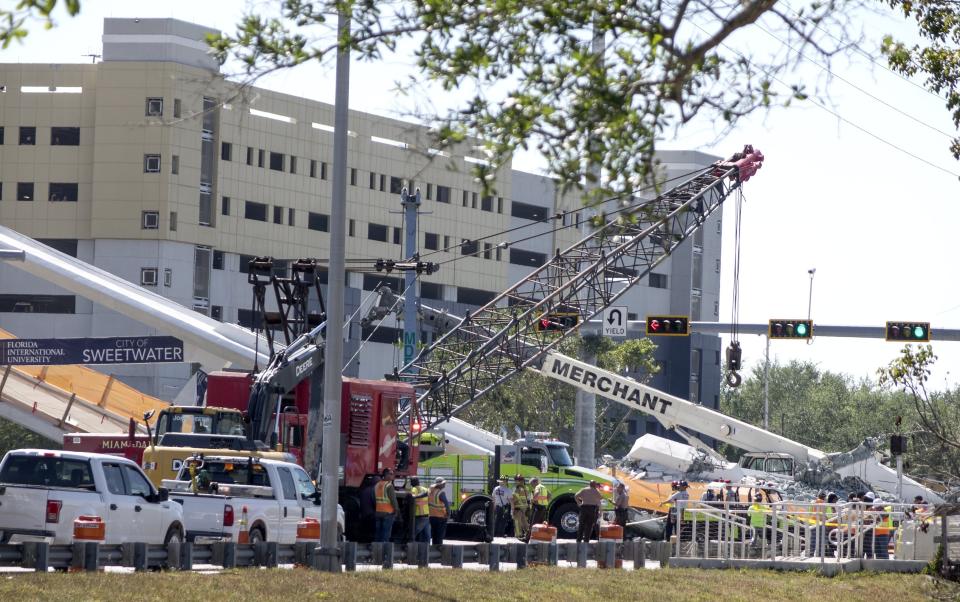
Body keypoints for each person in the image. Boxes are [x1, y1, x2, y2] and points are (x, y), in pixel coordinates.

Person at [374, 468, 399, 543]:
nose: (392, 475)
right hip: (387, 513)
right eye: (391, 474)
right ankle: (384, 551)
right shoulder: (389, 486)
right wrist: (396, 510)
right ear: (386, 475)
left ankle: (377, 550)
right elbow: (393, 500)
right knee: (385, 534)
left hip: (378, 512)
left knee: (378, 534)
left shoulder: (377, 484)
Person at [409, 476, 431, 544]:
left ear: (413, 482)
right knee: (426, 534)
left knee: (414, 532)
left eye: (411, 482)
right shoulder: (425, 489)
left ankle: (410, 544)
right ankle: (427, 547)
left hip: (419, 514)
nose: (410, 483)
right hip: (426, 514)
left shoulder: (414, 489)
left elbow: (412, 498)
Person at [428, 477, 450, 545]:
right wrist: (448, 514)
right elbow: (446, 504)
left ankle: (434, 549)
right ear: (439, 484)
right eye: (443, 483)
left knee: (434, 535)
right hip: (440, 517)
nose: (444, 485)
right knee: (439, 536)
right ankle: (438, 549)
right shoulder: (441, 493)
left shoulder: (430, 491)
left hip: (431, 516)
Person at [511, 475, 530, 541]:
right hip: (524, 507)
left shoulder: (517, 488)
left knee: (517, 522)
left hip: (517, 507)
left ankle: (518, 535)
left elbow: (514, 498)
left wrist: (512, 507)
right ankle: (528, 534)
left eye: (516, 480)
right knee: (524, 522)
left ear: (519, 481)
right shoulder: (526, 488)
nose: (515, 481)